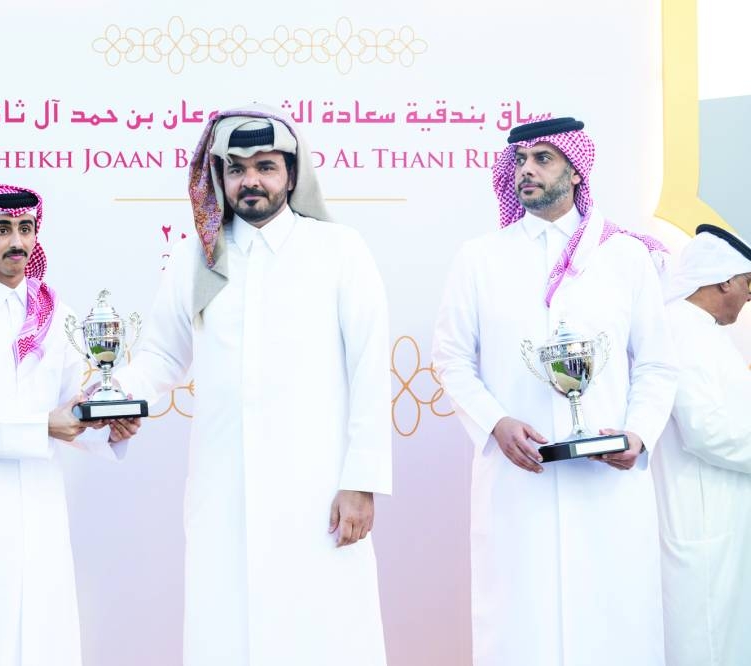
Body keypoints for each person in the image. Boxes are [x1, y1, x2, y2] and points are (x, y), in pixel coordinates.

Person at [113, 104, 391, 666]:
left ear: (291, 172)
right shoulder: (199, 256)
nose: (251, 181)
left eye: (265, 166)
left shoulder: (338, 250)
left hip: (316, 487)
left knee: (324, 628)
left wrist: (360, 481)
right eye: (236, 168)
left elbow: (368, 369)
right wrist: (115, 401)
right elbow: (163, 353)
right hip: (225, 486)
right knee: (227, 628)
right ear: (220, 177)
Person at [432, 117, 678, 665]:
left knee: (615, 623)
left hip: (607, 485)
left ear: (575, 168)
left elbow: (658, 365)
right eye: (520, 160)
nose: (527, 171)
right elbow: (449, 358)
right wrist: (496, 422)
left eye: (543, 159)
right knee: (521, 625)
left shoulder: (625, 257)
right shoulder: (480, 257)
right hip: (520, 482)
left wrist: (637, 435)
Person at [0, 184, 138, 666]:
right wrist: (43, 427)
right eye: (1, 230)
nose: (16, 241)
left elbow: (67, 410)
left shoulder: (60, 318)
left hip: (40, 508)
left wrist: (106, 427)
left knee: (46, 640)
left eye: (25, 229)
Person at [653, 223, 751, 666]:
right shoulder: (678, 329)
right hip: (699, 521)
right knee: (701, 639)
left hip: (723, 514)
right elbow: (704, 430)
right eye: (748, 284)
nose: (749, 297)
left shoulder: (705, 330)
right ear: (725, 279)